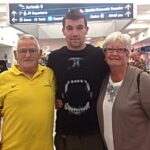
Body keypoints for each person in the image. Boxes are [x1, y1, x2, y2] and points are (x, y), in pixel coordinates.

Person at [47, 9, 108, 150]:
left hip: (95, 132)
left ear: (86, 30)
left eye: (79, 27)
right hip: (65, 133)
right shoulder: (54, 58)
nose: (75, 33)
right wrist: (53, 98)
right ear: (63, 31)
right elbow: (49, 86)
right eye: (70, 28)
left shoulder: (98, 55)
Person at [0, 34, 55, 150]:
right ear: (15, 55)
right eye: (23, 51)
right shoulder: (2, 79)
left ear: (40, 54)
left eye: (32, 51)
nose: (28, 55)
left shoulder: (50, 74)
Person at [97, 31, 150, 150]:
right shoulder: (105, 81)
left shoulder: (142, 80)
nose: (114, 53)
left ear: (128, 54)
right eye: (109, 49)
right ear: (104, 55)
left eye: (120, 49)